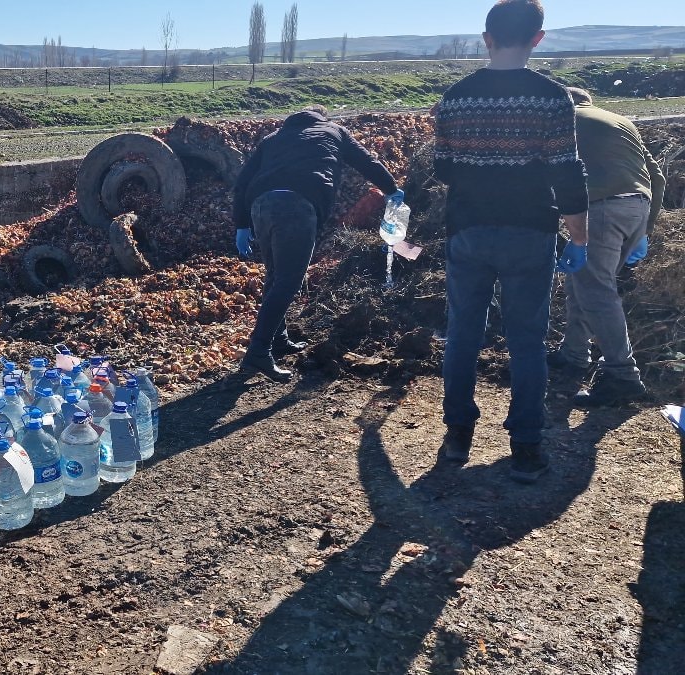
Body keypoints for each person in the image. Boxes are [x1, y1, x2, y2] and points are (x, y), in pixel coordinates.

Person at [432, 0, 589, 483]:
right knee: (526, 341)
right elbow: (568, 172)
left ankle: (458, 434)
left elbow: (441, 169)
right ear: (537, 39)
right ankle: (525, 448)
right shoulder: (552, 98)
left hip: (468, 230)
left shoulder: (454, 98)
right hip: (529, 233)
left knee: (463, 334)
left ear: (487, 38)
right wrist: (578, 236)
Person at [232, 104, 402, 382]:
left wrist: (241, 223)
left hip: (261, 206)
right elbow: (367, 163)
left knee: (275, 277)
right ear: (323, 117)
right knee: (289, 281)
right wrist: (392, 189)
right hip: (296, 205)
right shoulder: (334, 130)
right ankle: (258, 351)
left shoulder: (273, 138)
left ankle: (278, 339)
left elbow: (241, 183)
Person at [548, 87, 665, 407]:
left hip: (601, 207)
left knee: (596, 289)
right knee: (583, 280)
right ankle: (574, 353)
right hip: (637, 207)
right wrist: (645, 228)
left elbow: (549, 169)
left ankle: (623, 375)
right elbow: (656, 176)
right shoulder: (620, 120)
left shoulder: (563, 119)